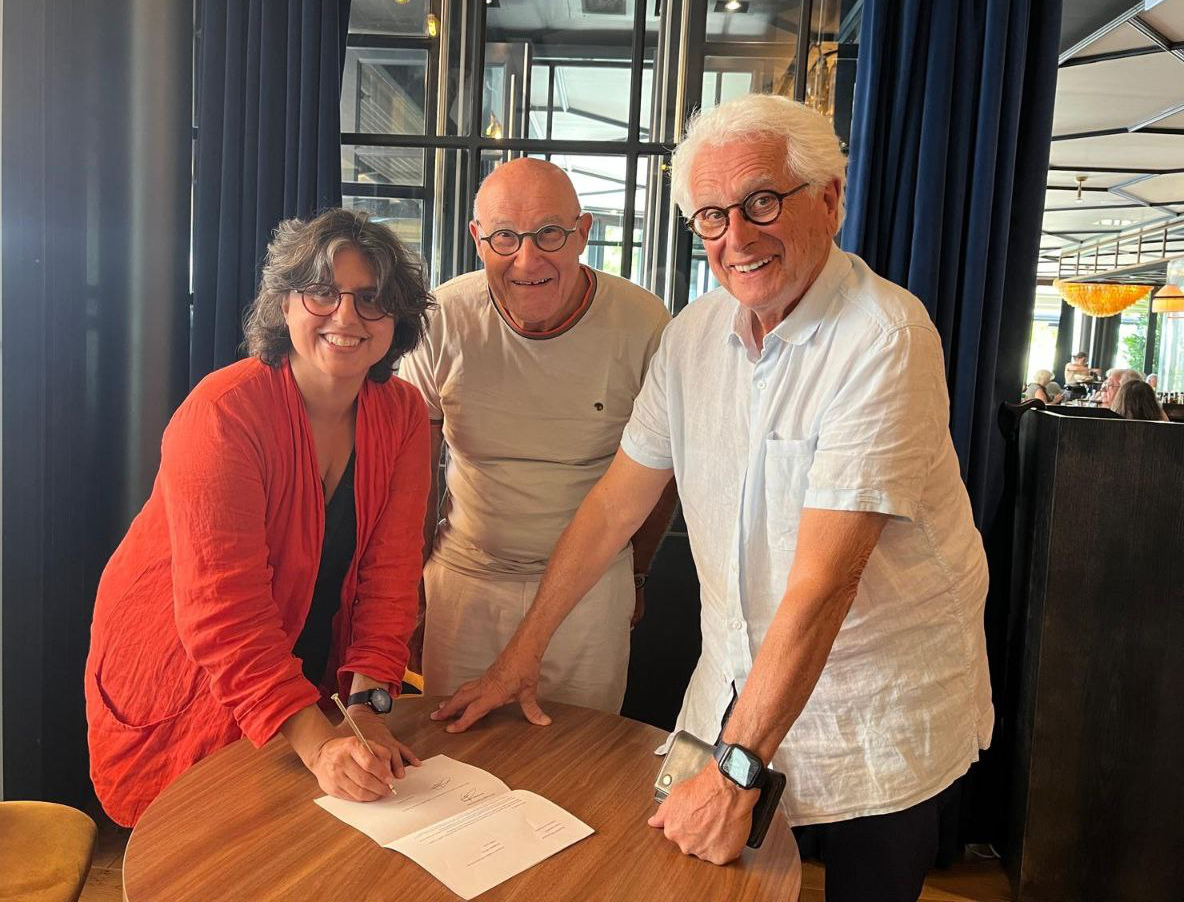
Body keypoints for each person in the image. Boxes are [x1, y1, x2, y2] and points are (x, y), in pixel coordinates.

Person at [431, 95, 992, 902]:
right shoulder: (693, 337)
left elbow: (823, 583)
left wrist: (736, 774)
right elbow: (613, 507)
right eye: (712, 217)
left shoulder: (884, 338)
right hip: (730, 676)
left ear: (830, 199)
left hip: (874, 692)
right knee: (682, 876)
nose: (738, 236)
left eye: (762, 202)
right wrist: (522, 653)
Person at [85, 209, 434, 827]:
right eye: (322, 292)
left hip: (297, 657)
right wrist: (319, 745)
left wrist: (367, 710)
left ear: (397, 317)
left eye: (371, 298)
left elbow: (391, 576)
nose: (346, 316)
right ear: (285, 303)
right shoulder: (222, 412)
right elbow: (225, 612)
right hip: (187, 660)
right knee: (203, 843)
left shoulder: (403, 413)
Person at [397, 157, 676, 714]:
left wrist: (638, 573)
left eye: (549, 233)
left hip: (590, 590)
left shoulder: (644, 323)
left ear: (583, 233)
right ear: (478, 239)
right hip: (466, 579)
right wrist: (410, 596)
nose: (528, 260)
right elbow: (412, 478)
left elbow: (663, 475)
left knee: (578, 750)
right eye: (505, 236)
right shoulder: (443, 318)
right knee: (454, 745)